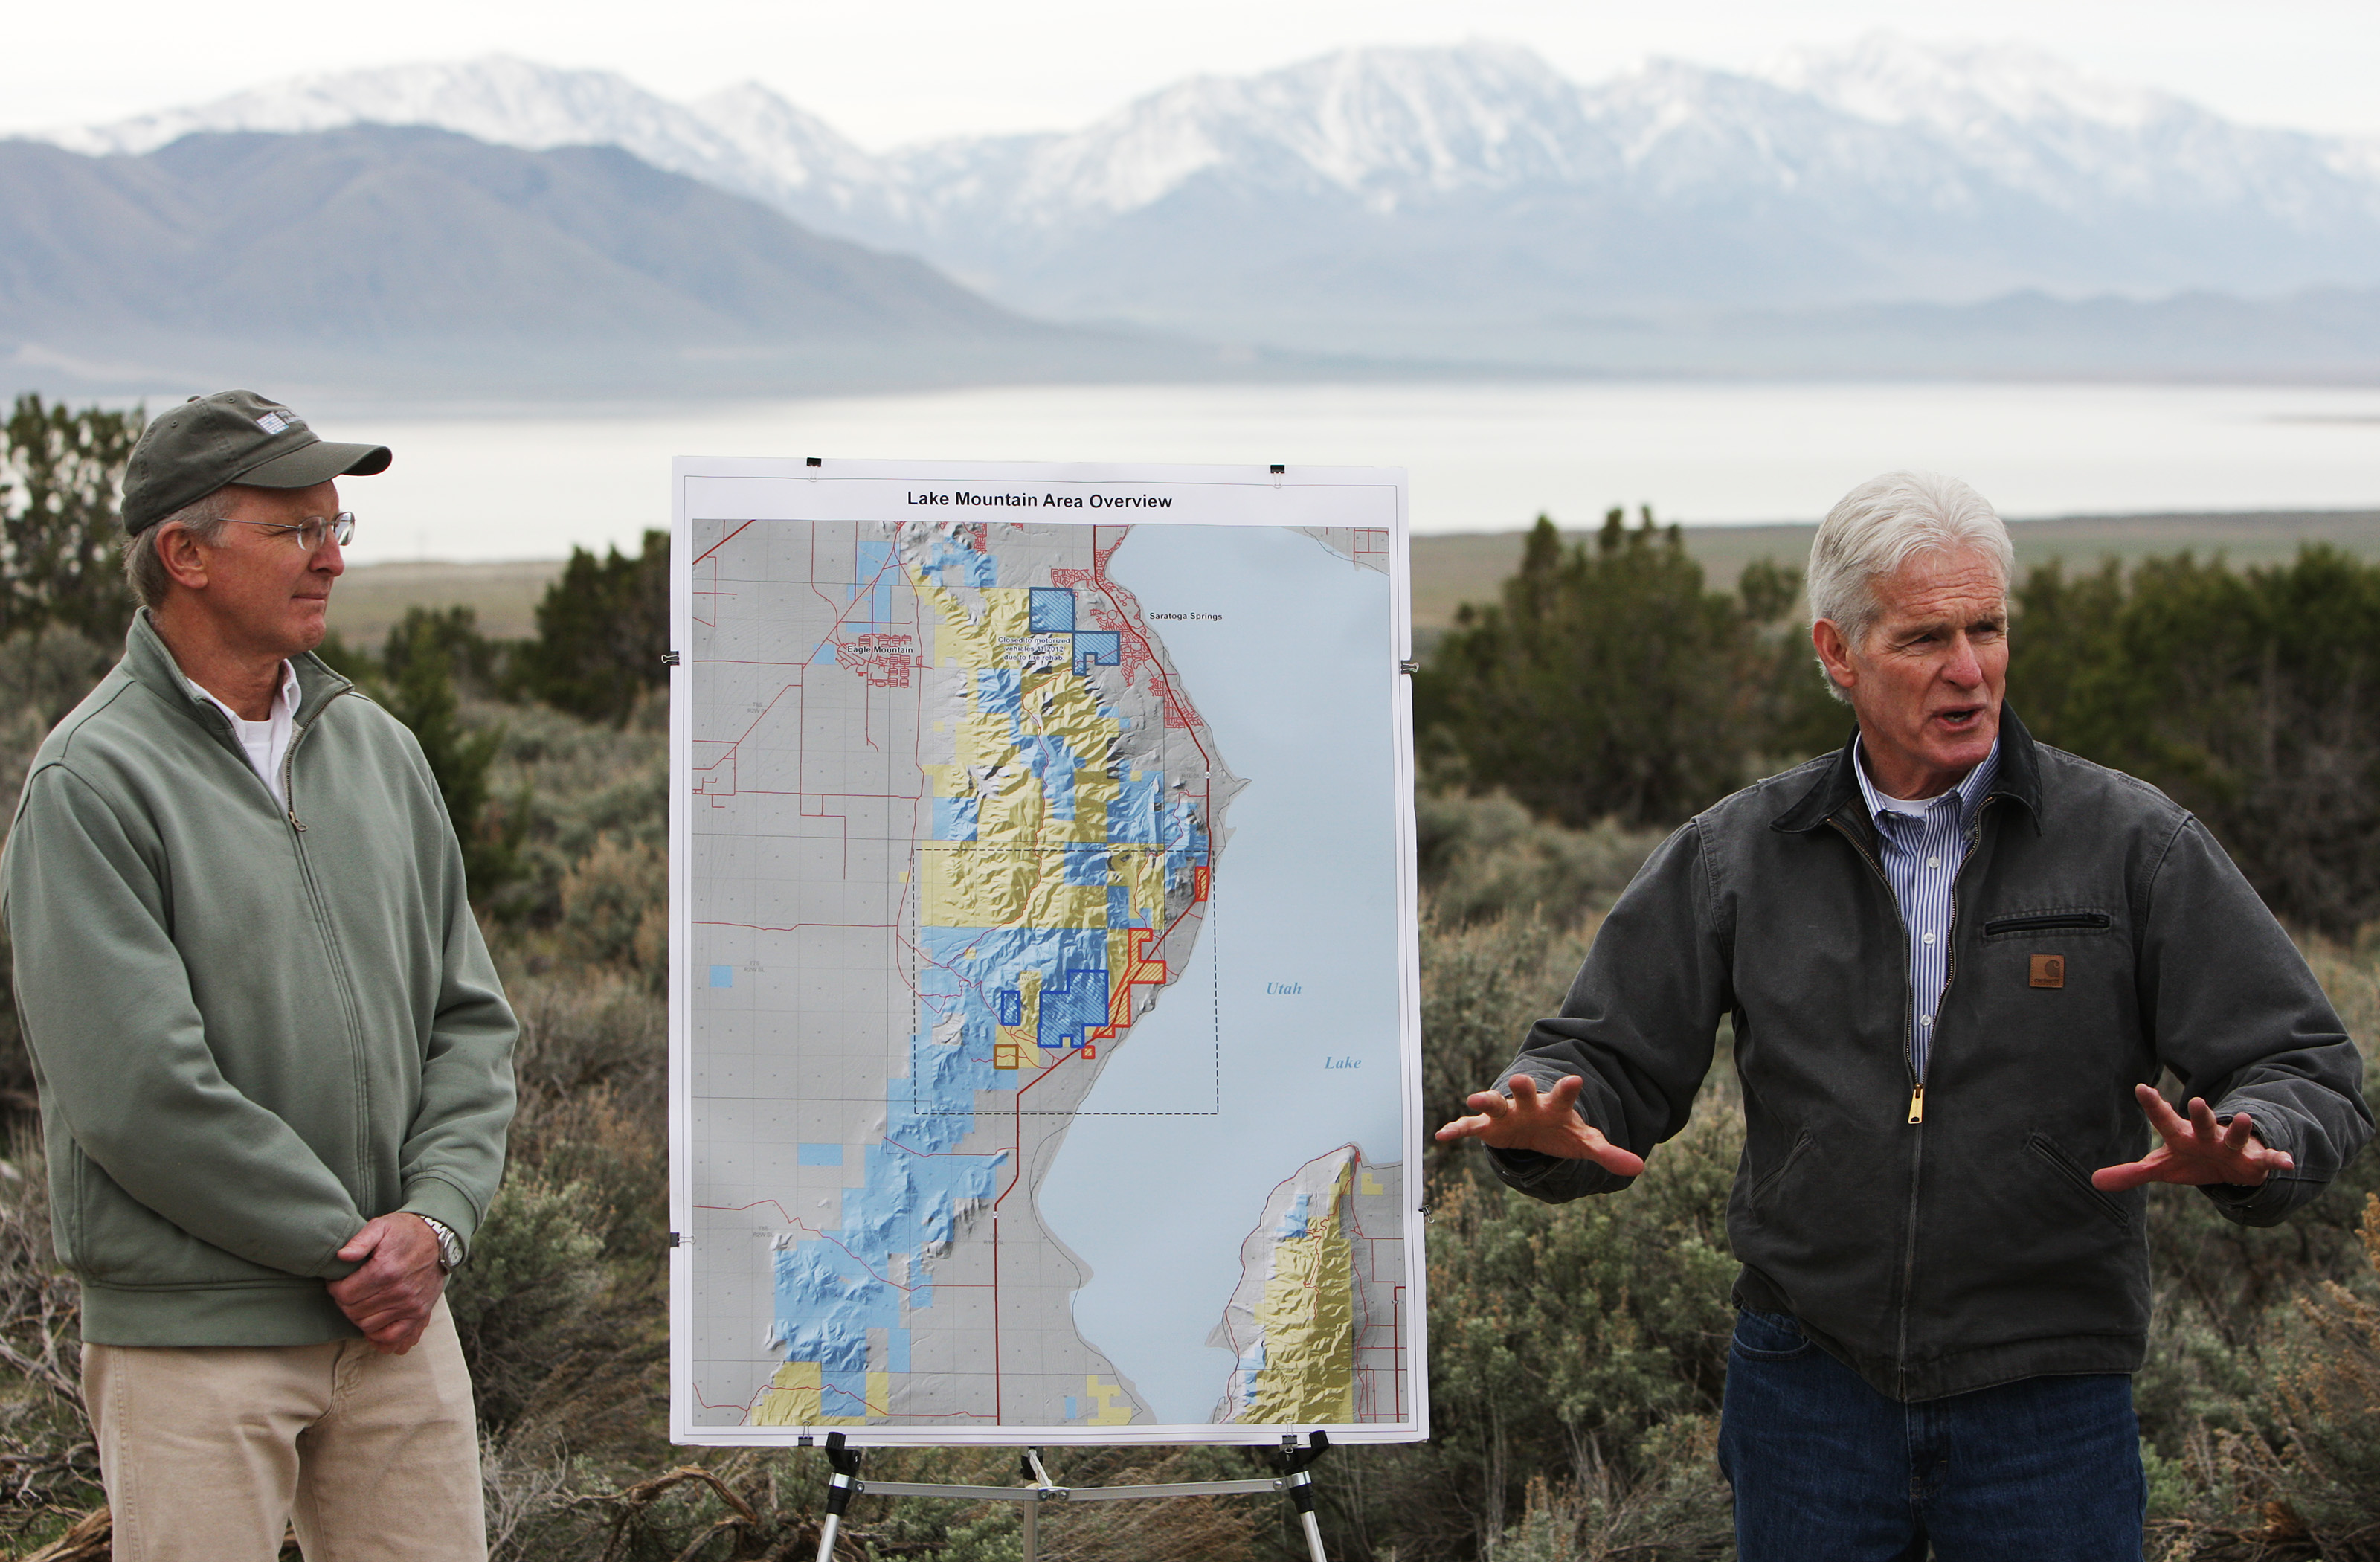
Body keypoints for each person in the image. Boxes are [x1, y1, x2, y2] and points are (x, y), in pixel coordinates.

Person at [1435, 470, 2370, 1558]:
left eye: (1989, 629)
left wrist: (2259, 1142)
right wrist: (1550, 1125)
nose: (1969, 670)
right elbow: (1601, 1056)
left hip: (2048, 1398)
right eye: (1927, 637)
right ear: (1838, 653)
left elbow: (2303, 1063)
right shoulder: (1740, 854)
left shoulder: (2132, 843)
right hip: (1809, 1391)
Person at [1, 390, 518, 1561]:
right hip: (197, 1339)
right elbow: (141, 1093)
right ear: (185, 554)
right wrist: (355, 1251)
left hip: (396, 1328)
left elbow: (472, 1023)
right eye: (298, 530)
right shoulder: (91, 781)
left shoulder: (379, 751)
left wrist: (433, 1224)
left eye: (338, 527)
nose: (332, 557)